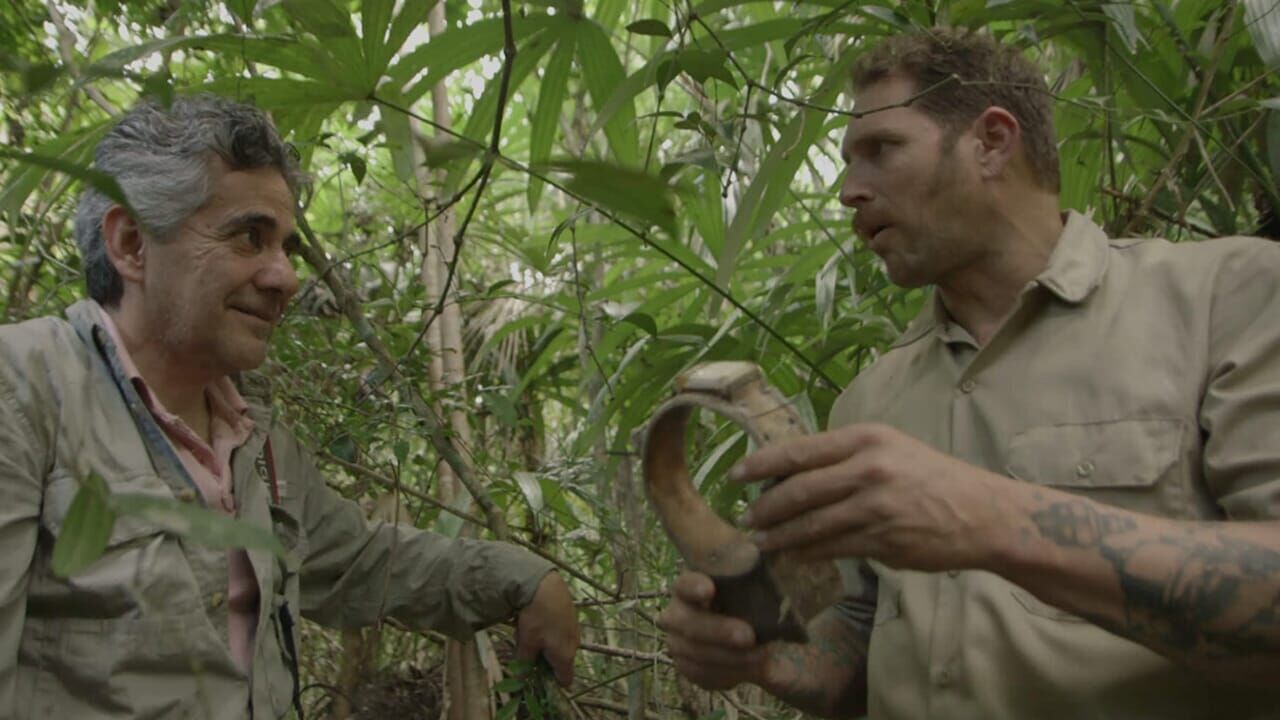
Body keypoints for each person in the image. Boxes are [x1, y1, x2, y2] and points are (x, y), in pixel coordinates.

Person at [658, 28, 1280, 719]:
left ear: (991, 142)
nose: (849, 192)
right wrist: (770, 658)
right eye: (847, 163)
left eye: (882, 149)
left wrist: (990, 518)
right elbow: (861, 629)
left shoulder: (1228, 298)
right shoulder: (870, 400)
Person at [0, 95, 579, 719]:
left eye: (285, 248)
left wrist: (520, 577)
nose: (286, 278)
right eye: (249, 237)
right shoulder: (25, 392)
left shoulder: (254, 438)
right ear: (132, 243)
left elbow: (359, 561)